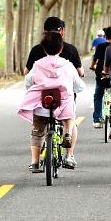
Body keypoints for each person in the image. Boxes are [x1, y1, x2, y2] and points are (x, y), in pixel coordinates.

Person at [18, 33, 85, 172]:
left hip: (42, 105)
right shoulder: (68, 65)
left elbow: (28, 81)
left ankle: (35, 163)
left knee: (37, 133)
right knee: (69, 121)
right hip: (63, 105)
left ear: (43, 48)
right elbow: (79, 85)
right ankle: (68, 144)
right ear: (61, 49)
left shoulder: (38, 64)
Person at [90, 26, 111, 128]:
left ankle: (97, 119)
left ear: (105, 35)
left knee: (98, 96)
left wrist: (92, 66)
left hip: (101, 74)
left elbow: (95, 58)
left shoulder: (101, 46)